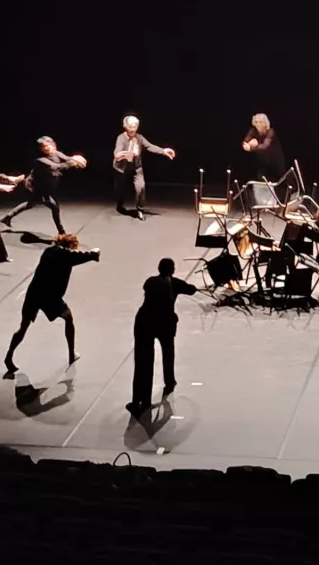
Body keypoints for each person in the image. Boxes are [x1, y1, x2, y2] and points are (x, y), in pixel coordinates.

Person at [3, 233, 100, 375]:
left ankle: (9, 355)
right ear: (71, 245)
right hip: (50, 297)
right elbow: (86, 255)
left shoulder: (48, 251)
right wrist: (95, 253)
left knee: (23, 327)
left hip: (34, 293)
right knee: (68, 318)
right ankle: (71, 354)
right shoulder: (67, 255)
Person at [127, 258, 198, 417]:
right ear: (172, 270)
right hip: (165, 323)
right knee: (168, 353)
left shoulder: (150, 282)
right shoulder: (175, 284)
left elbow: (148, 289)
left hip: (145, 322)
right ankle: (169, 381)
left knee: (143, 362)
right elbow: (191, 290)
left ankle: (140, 399)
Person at [1, 136, 88, 234]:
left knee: (31, 203)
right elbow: (56, 167)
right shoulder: (40, 160)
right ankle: (61, 231)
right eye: (44, 147)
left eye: (49, 145)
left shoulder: (56, 153)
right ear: (41, 149)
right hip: (36, 186)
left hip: (46, 185)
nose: (48, 148)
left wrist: (76, 158)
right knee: (54, 206)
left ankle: (7, 217)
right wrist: (73, 162)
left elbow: (67, 158)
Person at [113, 115, 176, 221]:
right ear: (125, 126)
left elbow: (149, 146)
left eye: (135, 127)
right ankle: (120, 204)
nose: (132, 129)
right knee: (120, 189)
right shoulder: (121, 138)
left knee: (140, 187)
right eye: (130, 127)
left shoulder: (139, 138)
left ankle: (140, 210)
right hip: (122, 168)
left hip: (136, 168)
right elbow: (117, 150)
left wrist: (163, 151)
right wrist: (120, 155)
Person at [242, 113, 286, 180]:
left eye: (260, 122)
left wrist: (251, 147)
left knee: (279, 181)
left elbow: (265, 147)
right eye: (256, 122)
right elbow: (245, 142)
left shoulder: (270, 132)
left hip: (275, 161)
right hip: (262, 163)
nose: (258, 124)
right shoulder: (253, 130)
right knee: (261, 181)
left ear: (265, 123)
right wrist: (248, 144)